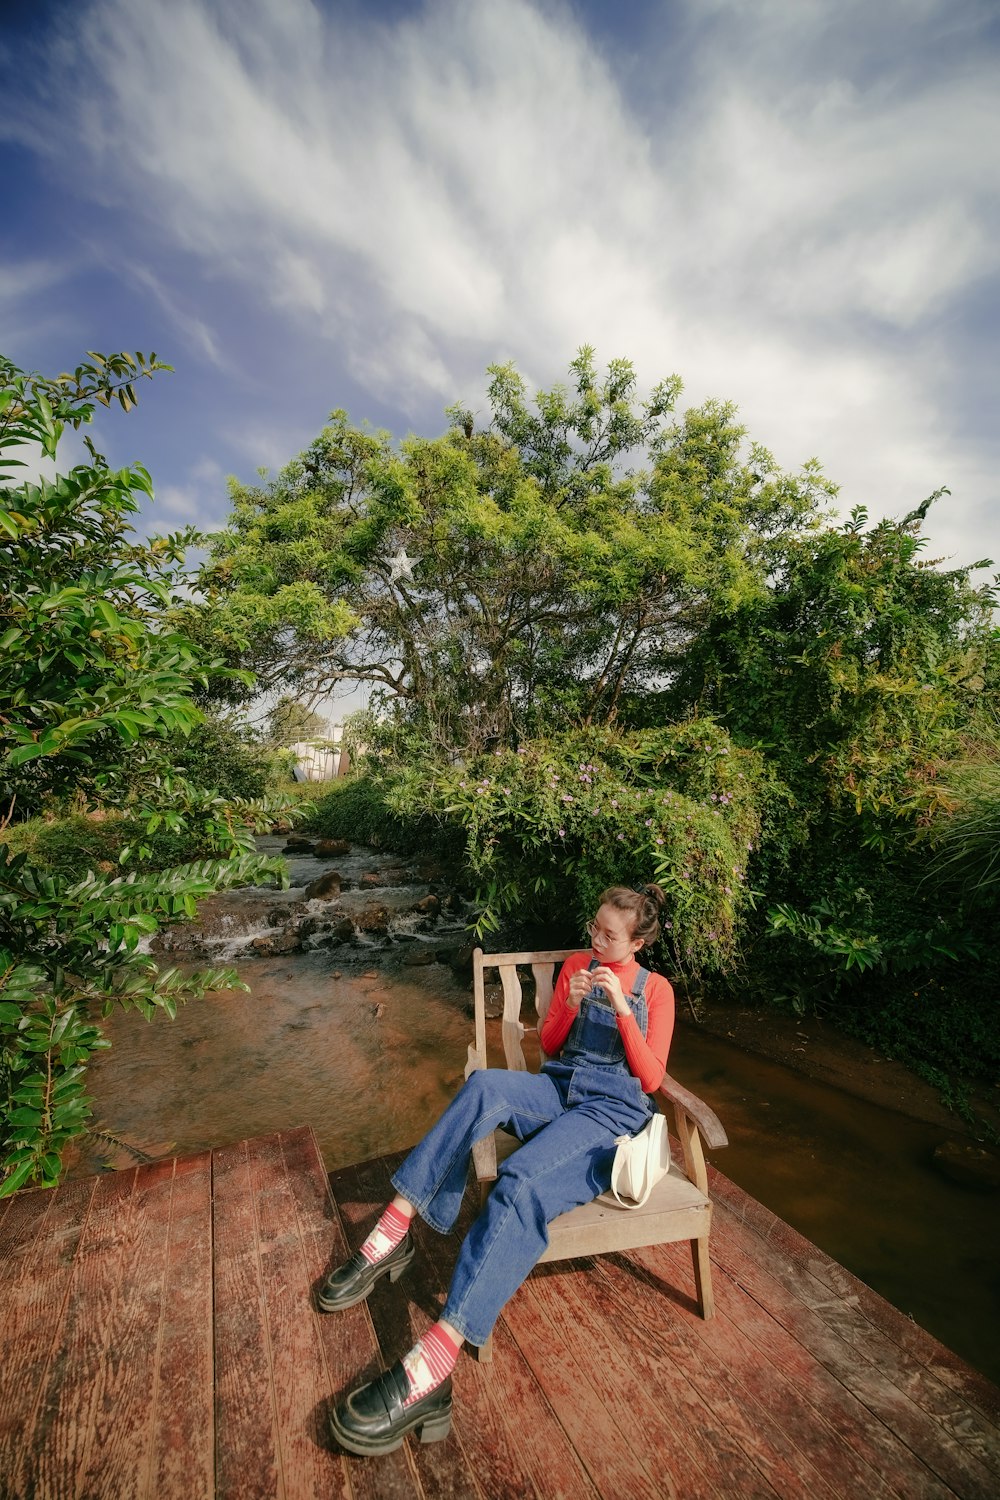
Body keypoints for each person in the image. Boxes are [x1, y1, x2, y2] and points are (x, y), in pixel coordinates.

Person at [322, 883, 675, 1457]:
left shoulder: (656, 991)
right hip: (561, 1090)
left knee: (522, 1181)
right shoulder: (577, 969)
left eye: (609, 936)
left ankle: (434, 1366)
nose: (596, 940)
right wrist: (568, 1001)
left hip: (612, 1114)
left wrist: (618, 1009)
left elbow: (652, 1078)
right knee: (484, 1085)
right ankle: (395, 1228)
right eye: (594, 928)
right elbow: (553, 1048)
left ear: (636, 942)